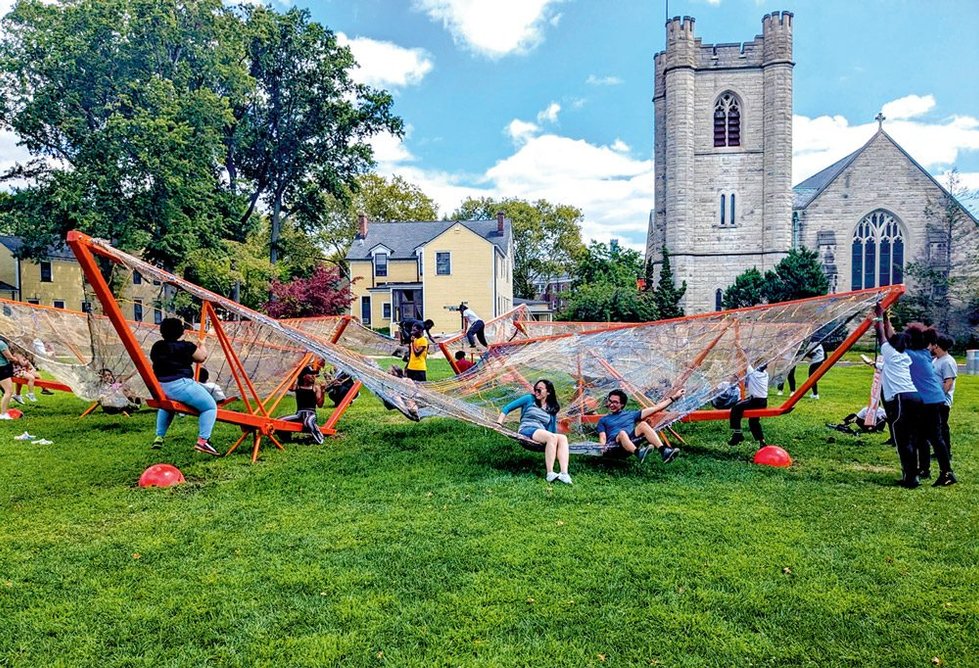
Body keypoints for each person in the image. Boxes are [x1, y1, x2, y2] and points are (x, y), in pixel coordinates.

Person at [873, 306, 926, 488]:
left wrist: (879, 318)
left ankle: (910, 478)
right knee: (911, 438)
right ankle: (912, 475)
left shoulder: (891, 353)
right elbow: (890, 335)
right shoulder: (904, 355)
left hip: (902, 399)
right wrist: (886, 316)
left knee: (903, 440)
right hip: (915, 398)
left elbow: (882, 336)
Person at [149, 318, 219, 455]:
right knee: (210, 407)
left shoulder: (157, 346)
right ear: (181, 332)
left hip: (162, 387)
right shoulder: (186, 346)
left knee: (167, 405)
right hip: (181, 385)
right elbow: (201, 357)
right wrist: (202, 344)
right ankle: (203, 441)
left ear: (162, 331)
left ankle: (159, 436)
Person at [903, 323, 955, 486]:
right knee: (922, 438)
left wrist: (883, 323)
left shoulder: (912, 355)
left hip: (930, 402)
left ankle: (947, 473)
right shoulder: (925, 354)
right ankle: (925, 470)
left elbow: (891, 341)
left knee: (934, 438)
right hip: (929, 401)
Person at [497, 379, 572, 484]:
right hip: (527, 429)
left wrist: (551, 443)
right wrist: (499, 424)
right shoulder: (529, 399)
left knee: (563, 438)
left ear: (548, 392)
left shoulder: (552, 408)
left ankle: (564, 474)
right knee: (552, 437)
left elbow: (551, 430)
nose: (536, 392)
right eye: (535, 389)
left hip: (540, 432)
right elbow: (507, 408)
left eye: (540, 390)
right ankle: (550, 473)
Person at [597, 389, 683, 463]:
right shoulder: (603, 420)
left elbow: (656, 408)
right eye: (610, 401)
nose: (611, 404)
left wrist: (675, 397)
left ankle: (664, 451)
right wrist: (602, 448)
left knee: (643, 425)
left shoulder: (631, 415)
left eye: (615, 402)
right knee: (622, 433)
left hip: (630, 441)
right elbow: (603, 437)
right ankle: (638, 453)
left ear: (622, 404)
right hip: (614, 447)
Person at [280, 365, 325, 444]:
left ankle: (319, 438)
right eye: (310, 374)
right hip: (299, 414)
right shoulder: (297, 387)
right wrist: (295, 374)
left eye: (313, 374)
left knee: (308, 422)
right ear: (304, 376)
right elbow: (290, 386)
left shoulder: (315, 388)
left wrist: (323, 391)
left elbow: (320, 405)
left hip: (311, 414)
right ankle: (287, 438)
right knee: (280, 421)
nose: (313, 376)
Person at [930, 333, 957, 460]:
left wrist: (939, 398)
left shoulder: (948, 362)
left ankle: (947, 452)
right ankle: (938, 451)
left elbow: (948, 382)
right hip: (933, 399)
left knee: (942, 426)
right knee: (935, 427)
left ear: (937, 345)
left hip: (942, 401)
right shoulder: (936, 359)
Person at [728, 363, 769, 447]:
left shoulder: (753, 373)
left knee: (735, 408)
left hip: (755, 402)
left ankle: (737, 434)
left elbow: (744, 360)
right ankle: (762, 441)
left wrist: (739, 349)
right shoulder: (765, 374)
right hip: (763, 402)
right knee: (754, 421)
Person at [0, 338, 23, 419]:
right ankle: (3, 414)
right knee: (8, 392)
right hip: (2, 369)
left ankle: (3, 412)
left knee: (6, 392)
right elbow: (9, 357)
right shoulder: (1, 343)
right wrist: (17, 360)